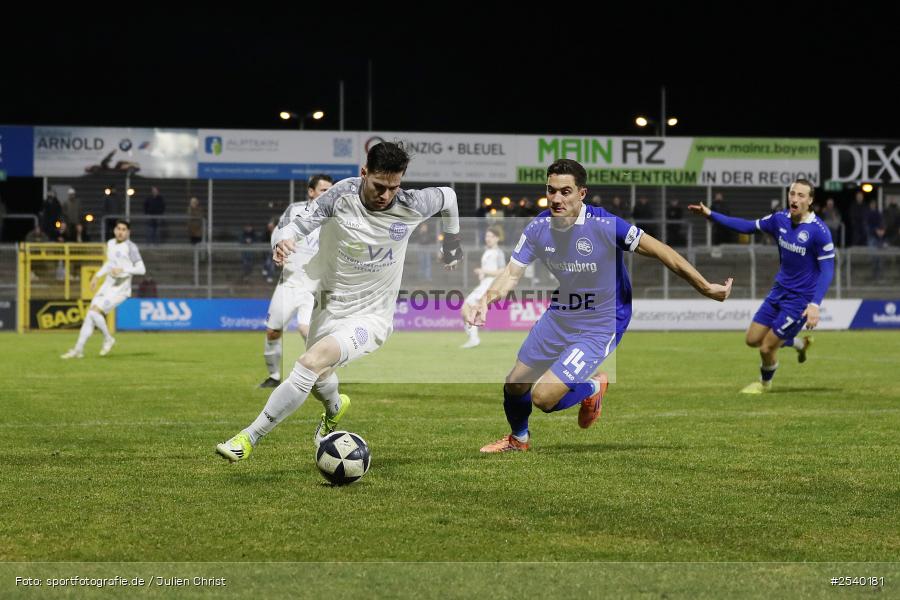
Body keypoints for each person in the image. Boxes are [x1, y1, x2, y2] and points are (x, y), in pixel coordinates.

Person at [216, 142, 462, 462]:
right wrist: (284, 240)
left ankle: (248, 438)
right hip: (328, 304)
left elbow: (450, 197)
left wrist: (452, 240)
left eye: (393, 187)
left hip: (371, 316)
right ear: (363, 174)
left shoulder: (411, 203)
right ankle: (334, 407)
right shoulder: (340, 196)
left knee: (309, 363)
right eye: (379, 186)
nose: (386, 195)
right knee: (318, 377)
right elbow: (297, 225)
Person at [465, 159, 732, 453]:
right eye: (551, 191)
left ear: (582, 193)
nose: (556, 199)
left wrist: (705, 286)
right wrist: (485, 300)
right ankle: (518, 440)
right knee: (516, 383)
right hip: (561, 315)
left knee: (543, 398)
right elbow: (511, 273)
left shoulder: (606, 225)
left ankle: (593, 387)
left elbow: (662, 251)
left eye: (565, 191)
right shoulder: (537, 228)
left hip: (601, 322)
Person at [688, 179, 834, 393]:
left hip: (800, 301)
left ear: (810, 200)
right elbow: (746, 226)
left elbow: (828, 269)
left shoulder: (819, 231)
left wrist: (814, 304)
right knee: (752, 340)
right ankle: (800, 344)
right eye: (792, 193)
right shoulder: (779, 220)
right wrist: (710, 214)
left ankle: (764, 384)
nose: (794, 199)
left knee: (766, 348)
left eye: (801, 195)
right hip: (779, 291)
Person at [258, 174, 334, 388]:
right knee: (273, 331)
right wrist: (278, 248)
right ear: (311, 192)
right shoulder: (295, 210)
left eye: (331, 190)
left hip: (315, 286)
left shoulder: (336, 216)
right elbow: (279, 233)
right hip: (289, 283)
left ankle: (321, 375)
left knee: (305, 329)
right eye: (324, 190)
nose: (329, 194)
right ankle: (273, 376)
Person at [61, 220, 145, 359]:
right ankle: (78, 350)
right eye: (118, 228)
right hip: (107, 285)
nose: (120, 231)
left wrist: (123, 269)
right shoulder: (111, 243)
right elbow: (109, 263)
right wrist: (97, 276)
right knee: (89, 317)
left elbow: (141, 269)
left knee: (94, 312)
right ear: (114, 230)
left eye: (124, 229)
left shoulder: (131, 247)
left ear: (128, 232)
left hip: (121, 289)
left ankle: (108, 338)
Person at [460, 226, 505, 349]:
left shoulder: (498, 253)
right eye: (486, 236)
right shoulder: (487, 251)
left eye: (491, 236)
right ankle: (473, 337)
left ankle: (473, 338)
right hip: (484, 283)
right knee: (465, 309)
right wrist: (482, 274)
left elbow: (502, 271)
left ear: (497, 238)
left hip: (490, 285)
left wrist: (484, 270)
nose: (488, 238)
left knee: (468, 308)